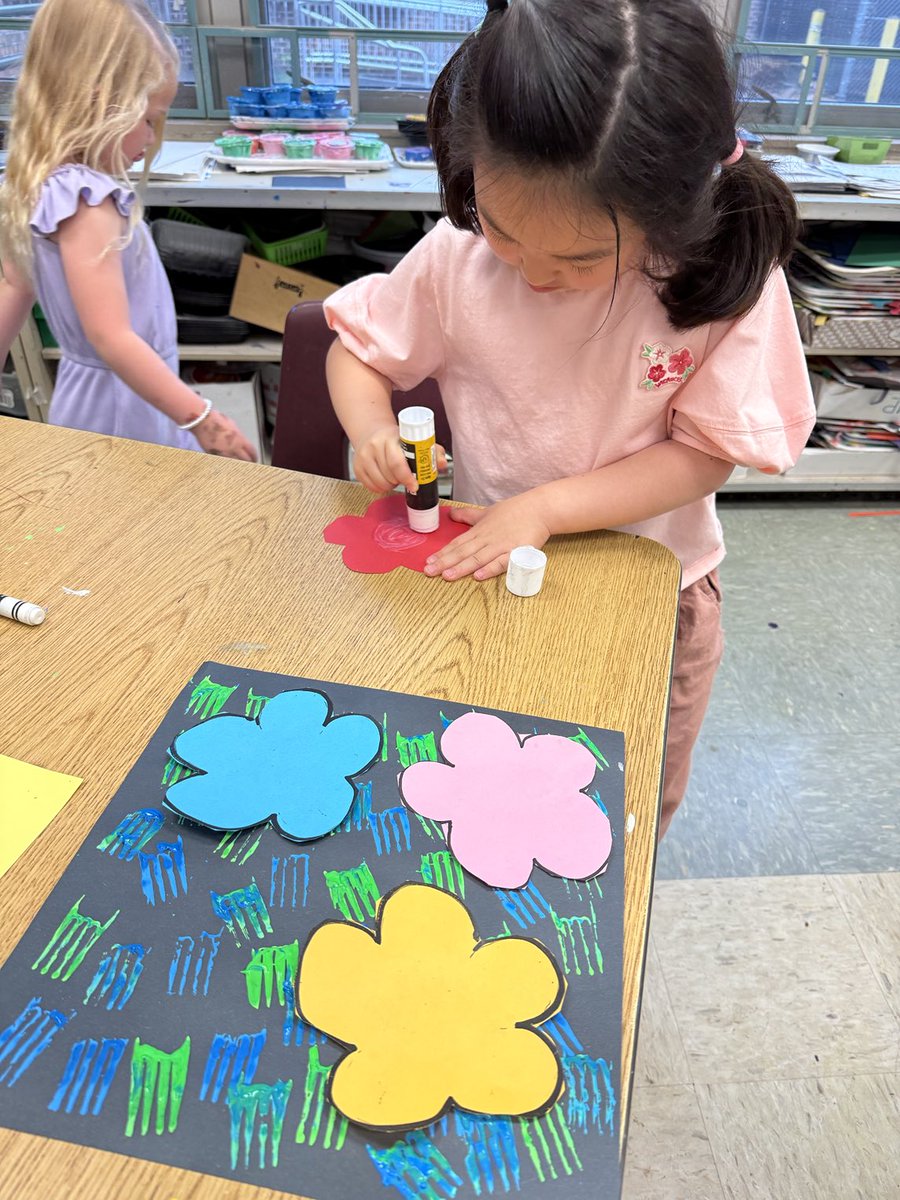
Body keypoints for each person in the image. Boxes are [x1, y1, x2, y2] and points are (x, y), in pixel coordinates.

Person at [323, 0, 816, 836]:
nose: (533, 272)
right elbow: (359, 352)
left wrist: (545, 509)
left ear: (673, 210)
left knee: (618, 814)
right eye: (505, 231)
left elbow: (704, 455)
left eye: (582, 258)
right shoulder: (460, 254)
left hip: (651, 589)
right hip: (487, 572)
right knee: (475, 787)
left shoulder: (722, 277)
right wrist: (371, 426)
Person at [0, 0, 255, 459]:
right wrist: (206, 421)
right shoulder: (88, 199)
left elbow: (13, 289)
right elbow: (111, 336)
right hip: (122, 406)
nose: (153, 138)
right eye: (149, 120)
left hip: (102, 397)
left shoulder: (36, 184)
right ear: (99, 102)